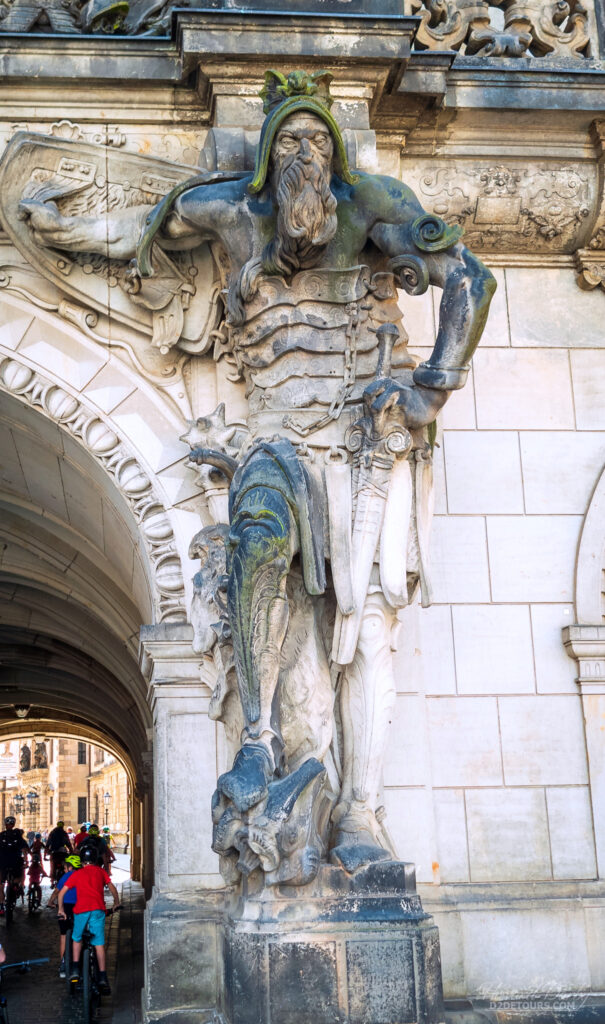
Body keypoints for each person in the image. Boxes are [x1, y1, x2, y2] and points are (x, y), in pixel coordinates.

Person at [19, 68, 496, 876]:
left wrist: (431, 386)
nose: (303, 153)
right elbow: (136, 228)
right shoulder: (232, 215)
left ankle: (359, 811)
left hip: (363, 438)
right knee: (258, 544)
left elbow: (471, 281)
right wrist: (54, 228)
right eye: (289, 141)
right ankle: (260, 742)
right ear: (268, 158)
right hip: (273, 436)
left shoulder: (371, 209)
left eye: (317, 141)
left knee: (367, 630)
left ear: (336, 156)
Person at [58, 846, 120, 994]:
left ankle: (74, 969)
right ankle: (103, 977)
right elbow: (112, 888)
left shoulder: (77, 874)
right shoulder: (101, 872)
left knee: (77, 938)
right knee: (98, 943)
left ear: (82, 861)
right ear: (95, 860)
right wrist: (116, 902)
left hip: (81, 910)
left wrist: (61, 909)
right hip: (98, 910)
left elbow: (61, 893)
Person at [48, 853, 81, 978]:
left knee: (63, 936)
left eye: (65, 867)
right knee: (80, 934)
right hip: (80, 907)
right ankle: (80, 962)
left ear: (70, 867)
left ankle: (63, 965)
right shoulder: (82, 875)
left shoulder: (66, 876)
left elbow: (57, 891)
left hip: (65, 907)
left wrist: (50, 902)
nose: (64, 869)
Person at [0, 817, 29, 912]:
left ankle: (1, 904)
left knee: (0, 884)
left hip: (2, 862)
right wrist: (26, 861)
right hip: (15, 861)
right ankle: (15, 887)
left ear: (5, 825)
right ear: (13, 825)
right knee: (19, 876)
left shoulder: (1, 835)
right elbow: (24, 849)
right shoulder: (18, 836)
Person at [45, 820, 73, 887]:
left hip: (54, 852)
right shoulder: (64, 833)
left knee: (52, 865)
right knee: (66, 864)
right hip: (63, 852)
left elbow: (48, 843)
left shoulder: (52, 833)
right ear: (63, 826)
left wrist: (45, 854)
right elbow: (68, 843)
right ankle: (67, 879)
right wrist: (71, 851)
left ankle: (52, 880)